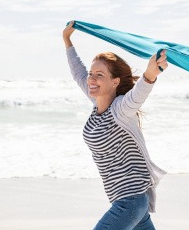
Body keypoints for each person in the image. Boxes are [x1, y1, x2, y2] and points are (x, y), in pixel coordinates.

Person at [63, 21, 168, 230]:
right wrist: (67, 40)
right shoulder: (97, 103)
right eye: (92, 74)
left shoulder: (120, 110)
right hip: (132, 203)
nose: (91, 79)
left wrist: (150, 75)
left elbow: (137, 95)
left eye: (99, 75)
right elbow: (78, 73)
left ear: (115, 82)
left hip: (129, 203)